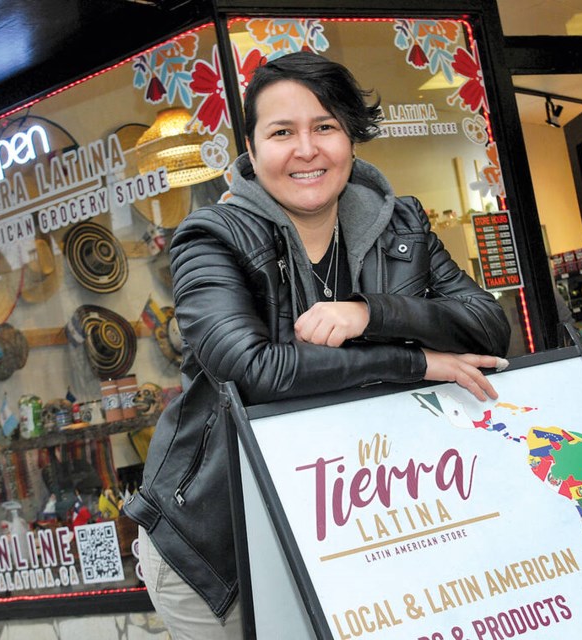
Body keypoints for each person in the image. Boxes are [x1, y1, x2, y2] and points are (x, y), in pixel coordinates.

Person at [124, 51, 511, 639]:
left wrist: (369, 313)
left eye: (324, 127)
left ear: (350, 139)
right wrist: (417, 360)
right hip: (217, 544)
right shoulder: (209, 238)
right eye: (282, 132)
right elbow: (255, 371)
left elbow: (487, 324)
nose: (306, 150)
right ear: (252, 152)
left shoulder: (401, 225)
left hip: (352, 522)